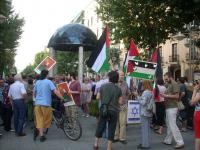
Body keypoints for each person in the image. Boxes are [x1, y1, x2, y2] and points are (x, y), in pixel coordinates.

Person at [93, 71, 123, 150]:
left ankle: (96, 144)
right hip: (114, 111)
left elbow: (97, 97)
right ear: (116, 79)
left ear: (109, 78)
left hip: (104, 110)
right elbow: (120, 102)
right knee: (112, 128)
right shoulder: (118, 89)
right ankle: (109, 148)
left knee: (100, 126)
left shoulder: (103, 86)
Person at [33, 70, 63, 142]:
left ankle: (41, 135)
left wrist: (37, 98)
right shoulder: (49, 82)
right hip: (45, 104)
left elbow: (34, 93)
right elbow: (55, 91)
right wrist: (62, 98)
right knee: (47, 120)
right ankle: (39, 131)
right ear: (47, 75)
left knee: (40, 119)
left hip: (37, 104)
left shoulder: (37, 82)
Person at [162, 72, 184, 149]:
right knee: (169, 124)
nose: (165, 80)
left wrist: (166, 96)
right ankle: (168, 140)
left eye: (166, 79)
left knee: (172, 125)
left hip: (172, 107)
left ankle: (180, 142)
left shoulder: (174, 84)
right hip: (169, 107)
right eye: (165, 79)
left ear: (170, 77)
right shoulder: (170, 83)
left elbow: (177, 96)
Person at [134, 80, 153, 149]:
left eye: (142, 85)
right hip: (149, 112)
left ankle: (145, 145)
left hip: (144, 112)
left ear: (144, 85)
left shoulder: (145, 92)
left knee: (144, 129)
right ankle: (146, 143)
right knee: (147, 129)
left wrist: (137, 96)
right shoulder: (150, 91)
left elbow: (143, 103)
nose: (141, 86)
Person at [114, 71, 129, 144]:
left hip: (123, 105)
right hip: (115, 106)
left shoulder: (125, 83)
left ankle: (122, 138)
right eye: (121, 75)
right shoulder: (114, 83)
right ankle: (115, 137)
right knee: (115, 122)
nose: (122, 76)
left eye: (123, 75)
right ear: (117, 75)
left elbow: (127, 93)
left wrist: (125, 102)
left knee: (123, 123)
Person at [191, 79, 200, 150]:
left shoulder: (198, 92)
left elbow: (192, 102)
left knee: (198, 135)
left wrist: (194, 90)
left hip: (198, 114)